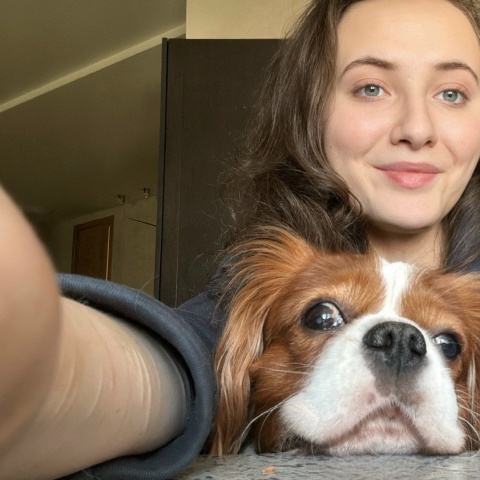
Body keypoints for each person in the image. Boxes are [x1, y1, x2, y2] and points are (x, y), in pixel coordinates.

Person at [2, 0, 480, 478]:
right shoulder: (259, 283)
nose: (417, 129)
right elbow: (183, 358)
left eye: (453, 93)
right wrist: (37, 354)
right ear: (310, 113)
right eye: (371, 88)